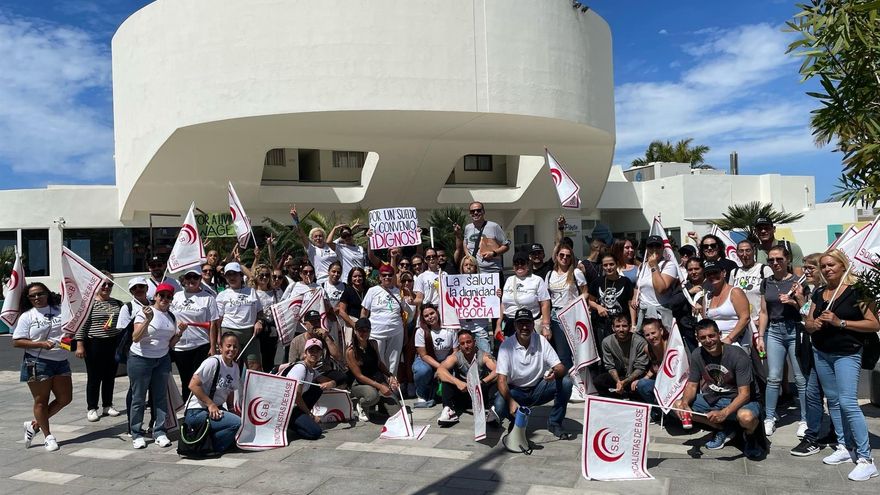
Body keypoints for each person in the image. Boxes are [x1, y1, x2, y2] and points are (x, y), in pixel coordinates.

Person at [803, 249, 879, 481]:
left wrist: (841, 322)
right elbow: (808, 320)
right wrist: (812, 324)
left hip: (847, 353)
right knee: (833, 401)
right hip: (821, 351)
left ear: (843, 265)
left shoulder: (860, 291)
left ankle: (866, 459)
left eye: (831, 265)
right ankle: (845, 447)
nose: (827, 269)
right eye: (823, 266)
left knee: (848, 402)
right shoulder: (820, 292)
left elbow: (874, 324)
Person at [674, 319, 764, 459]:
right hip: (715, 397)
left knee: (746, 417)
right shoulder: (697, 354)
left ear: (719, 334)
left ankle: (751, 437)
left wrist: (724, 413)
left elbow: (745, 394)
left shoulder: (738, 355)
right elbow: (692, 385)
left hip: (742, 400)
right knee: (678, 405)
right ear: (698, 339)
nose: (708, 341)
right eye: (703, 338)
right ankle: (722, 429)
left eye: (711, 336)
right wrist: (685, 403)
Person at [494, 308, 573, 440]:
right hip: (516, 391)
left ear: (533, 324)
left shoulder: (541, 340)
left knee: (566, 382)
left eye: (528, 323)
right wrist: (511, 401)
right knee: (500, 406)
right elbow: (501, 380)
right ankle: (516, 420)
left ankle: (555, 422)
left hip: (538, 388)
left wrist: (555, 372)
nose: (524, 327)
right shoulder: (506, 346)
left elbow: (560, 367)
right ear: (514, 325)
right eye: (520, 323)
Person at [756, 245, 807, 438]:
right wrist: (761, 336)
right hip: (774, 331)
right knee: (774, 377)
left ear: (788, 260)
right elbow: (764, 312)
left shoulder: (798, 281)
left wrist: (795, 301)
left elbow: (808, 310)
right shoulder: (766, 282)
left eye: (779, 259)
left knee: (801, 378)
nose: (775, 263)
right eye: (771, 260)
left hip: (794, 329)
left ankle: (804, 419)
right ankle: (770, 417)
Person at [14, 283, 71, 452]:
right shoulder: (27, 316)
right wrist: (40, 344)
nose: (37, 298)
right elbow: (17, 341)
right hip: (38, 362)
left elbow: (68, 333)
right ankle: (48, 436)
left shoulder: (61, 310)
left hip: (60, 360)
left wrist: (67, 343)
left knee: (65, 399)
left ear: (47, 293)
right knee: (41, 401)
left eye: (40, 294)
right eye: (32, 296)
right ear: (28, 299)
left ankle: (34, 425)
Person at [130, 282, 181, 449]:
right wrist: (147, 320)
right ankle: (136, 433)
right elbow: (135, 337)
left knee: (160, 397)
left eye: (168, 297)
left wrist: (180, 334)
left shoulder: (171, 316)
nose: (165, 299)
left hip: (162, 359)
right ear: (156, 297)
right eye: (162, 296)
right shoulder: (144, 312)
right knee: (138, 398)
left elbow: (170, 343)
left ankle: (159, 431)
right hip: (141, 358)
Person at [74, 272, 123, 422]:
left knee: (110, 376)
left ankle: (107, 405)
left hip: (112, 343)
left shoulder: (117, 303)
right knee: (94, 377)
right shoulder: (88, 304)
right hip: (94, 343)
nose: (106, 287)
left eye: (110, 284)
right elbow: (81, 326)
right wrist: (80, 345)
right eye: (104, 284)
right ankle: (92, 408)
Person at [184, 332, 242, 455]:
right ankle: (209, 447)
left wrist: (231, 408)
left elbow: (230, 390)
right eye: (228, 346)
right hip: (197, 411)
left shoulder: (235, 367)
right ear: (220, 348)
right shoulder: (213, 362)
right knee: (237, 423)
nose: (232, 349)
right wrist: (210, 404)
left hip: (215, 410)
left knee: (240, 422)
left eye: (235, 347)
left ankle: (209, 441)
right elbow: (193, 385)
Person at [170, 268, 220, 401]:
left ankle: (199, 408)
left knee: (197, 380)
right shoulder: (176, 296)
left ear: (200, 279)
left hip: (201, 345)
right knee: (185, 379)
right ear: (184, 280)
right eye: (189, 277)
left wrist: (213, 347)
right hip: (180, 346)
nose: (192, 280)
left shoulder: (208, 298)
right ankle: (188, 409)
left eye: (195, 277)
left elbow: (213, 324)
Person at [436, 329, 498, 425]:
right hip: (463, 393)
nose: (466, 346)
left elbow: (498, 370)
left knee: (496, 380)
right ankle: (448, 410)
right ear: (459, 345)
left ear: (474, 342)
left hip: (480, 395)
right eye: (462, 343)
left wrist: (482, 382)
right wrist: (457, 382)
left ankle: (493, 410)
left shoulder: (484, 355)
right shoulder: (455, 357)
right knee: (446, 378)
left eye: (469, 342)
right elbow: (440, 370)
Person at [346, 318, 401, 422]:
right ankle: (361, 404)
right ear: (356, 331)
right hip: (360, 384)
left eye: (367, 330)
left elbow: (379, 363)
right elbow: (359, 376)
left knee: (397, 412)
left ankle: (380, 405)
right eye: (361, 330)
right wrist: (380, 386)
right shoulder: (351, 351)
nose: (364, 333)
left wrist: (390, 376)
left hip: (376, 378)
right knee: (372, 396)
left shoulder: (373, 344)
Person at [284, 338, 338, 440]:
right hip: (288, 408)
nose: (314, 354)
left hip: (295, 406)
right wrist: (310, 415)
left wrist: (332, 383)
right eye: (311, 351)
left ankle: (298, 422)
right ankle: (289, 423)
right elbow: (296, 395)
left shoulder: (311, 370)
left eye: (317, 351)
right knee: (316, 433)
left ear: (321, 353)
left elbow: (326, 380)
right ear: (305, 353)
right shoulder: (300, 368)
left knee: (318, 388)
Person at [545, 243, 587, 371]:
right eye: (561, 255)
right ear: (556, 256)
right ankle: (569, 383)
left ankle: (581, 382)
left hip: (572, 314)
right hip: (555, 316)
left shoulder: (576, 272)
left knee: (577, 352)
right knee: (563, 354)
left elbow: (585, 293)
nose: (564, 258)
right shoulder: (549, 274)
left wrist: (573, 305)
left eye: (568, 256)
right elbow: (546, 298)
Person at [216, 262, 265, 371]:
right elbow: (218, 319)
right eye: (229, 274)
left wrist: (259, 322)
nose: (232, 277)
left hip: (250, 335)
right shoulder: (222, 295)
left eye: (235, 274)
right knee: (231, 367)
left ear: (240, 276)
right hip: (229, 332)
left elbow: (260, 312)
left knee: (255, 367)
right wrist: (218, 338)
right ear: (225, 277)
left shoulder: (252, 292)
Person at [361, 264, 406, 374]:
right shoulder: (372, 291)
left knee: (393, 362)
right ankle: (380, 387)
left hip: (396, 332)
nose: (387, 277)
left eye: (390, 275)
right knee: (378, 361)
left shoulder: (399, 292)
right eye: (384, 275)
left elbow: (405, 312)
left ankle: (392, 386)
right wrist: (362, 328)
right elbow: (364, 311)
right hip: (376, 333)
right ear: (380, 277)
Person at [497, 251, 551, 341]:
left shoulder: (537, 280)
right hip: (510, 325)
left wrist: (546, 326)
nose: (519, 266)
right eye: (516, 263)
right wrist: (498, 325)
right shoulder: (509, 280)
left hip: (529, 325)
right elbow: (503, 304)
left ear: (528, 264)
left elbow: (545, 304)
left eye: (522, 263)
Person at [411, 304, 458, 408]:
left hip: (446, 360)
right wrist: (440, 367)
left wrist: (444, 366)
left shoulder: (450, 329)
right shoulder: (420, 331)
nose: (430, 317)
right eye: (426, 316)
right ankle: (421, 393)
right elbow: (423, 355)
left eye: (432, 313)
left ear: (437, 313)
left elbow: (456, 351)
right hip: (426, 360)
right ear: (423, 318)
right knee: (422, 370)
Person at [288, 310, 347, 386]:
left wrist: (326, 338)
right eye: (312, 322)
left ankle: (330, 384)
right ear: (305, 324)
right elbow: (292, 364)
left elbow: (338, 357)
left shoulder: (326, 337)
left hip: (324, 372)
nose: (316, 324)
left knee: (343, 377)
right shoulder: (296, 341)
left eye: (317, 321)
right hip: (306, 372)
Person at [595, 315, 649, 399]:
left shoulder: (640, 342)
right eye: (617, 326)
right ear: (613, 328)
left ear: (630, 327)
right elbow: (610, 366)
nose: (621, 330)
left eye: (624, 326)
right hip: (620, 377)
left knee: (640, 387)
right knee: (599, 381)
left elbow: (640, 368)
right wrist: (618, 382)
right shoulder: (607, 342)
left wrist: (625, 382)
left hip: (635, 377)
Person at [632, 235, 678, 330]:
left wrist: (654, 266)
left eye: (657, 246)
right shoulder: (642, 267)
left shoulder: (668, 265)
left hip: (660, 314)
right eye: (651, 246)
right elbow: (638, 286)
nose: (654, 249)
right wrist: (634, 297)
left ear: (663, 248)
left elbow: (661, 289)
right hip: (644, 314)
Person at [703, 261, 752, 350]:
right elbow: (705, 323)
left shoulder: (735, 292)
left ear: (724, 273)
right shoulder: (707, 297)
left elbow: (745, 318)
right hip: (713, 344)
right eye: (708, 274)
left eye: (715, 272)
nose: (712, 276)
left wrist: (729, 339)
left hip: (735, 342)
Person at [588, 254, 635, 342]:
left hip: (621, 325)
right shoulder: (597, 282)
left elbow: (630, 303)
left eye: (611, 264)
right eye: (605, 265)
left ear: (617, 264)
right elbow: (590, 301)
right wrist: (598, 307)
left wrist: (633, 324)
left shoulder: (625, 281)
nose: (608, 267)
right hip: (603, 325)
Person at [729, 239, 773, 325]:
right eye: (741, 251)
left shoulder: (764, 270)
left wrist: (762, 320)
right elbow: (730, 298)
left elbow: (771, 297)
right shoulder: (734, 272)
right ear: (737, 253)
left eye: (748, 250)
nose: (745, 254)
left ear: (753, 252)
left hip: (759, 322)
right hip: (740, 323)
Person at [290, 206, 339, 283]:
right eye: (315, 237)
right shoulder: (312, 250)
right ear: (312, 239)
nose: (318, 238)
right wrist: (296, 220)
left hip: (337, 279)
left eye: (320, 236)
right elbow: (302, 235)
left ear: (324, 237)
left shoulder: (330, 246)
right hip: (323, 280)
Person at [632, 318, 669, 417]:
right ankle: (660, 412)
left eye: (653, 333)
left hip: (675, 382)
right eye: (647, 335)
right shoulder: (648, 349)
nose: (651, 337)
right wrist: (643, 379)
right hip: (662, 382)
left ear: (661, 331)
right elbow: (654, 366)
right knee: (641, 384)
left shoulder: (670, 345)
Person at [463, 201, 510, 277]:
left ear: (483, 211)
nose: (475, 213)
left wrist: (493, 254)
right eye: (472, 211)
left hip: (493, 272)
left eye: (478, 210)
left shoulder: (494, 226)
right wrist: (467, 255)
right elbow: (465, 242)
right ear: (470, 213)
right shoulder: (468, 228)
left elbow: (506, 246)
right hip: (474, 273)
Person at [458, 255, 492, 353]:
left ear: (475, 267)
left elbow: (490, 300)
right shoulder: (456, 284)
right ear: (462, 267)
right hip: (463, 327)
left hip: (480, 327)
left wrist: (496, 293)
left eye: (471, 265)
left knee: (487, 355)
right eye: (466, 265)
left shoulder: (485, 283)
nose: (468, 267)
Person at [253, 264, 282, 373]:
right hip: (256, 329)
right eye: (261, 275)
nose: (265, 277)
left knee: (269, 360)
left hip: (272, 330)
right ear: (256, 276)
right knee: (256, 361)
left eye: (267, 275)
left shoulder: (275, 292)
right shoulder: (252, 292)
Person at [339, 267, 370, 344]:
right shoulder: (348, 291)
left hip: (366, 324)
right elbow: (341, 311)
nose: (357, 278)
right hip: (352, 323)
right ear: (350, 278)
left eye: (360, 276)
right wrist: (354, 324)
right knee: (351, 348)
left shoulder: (368, 290)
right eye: (355, 276)